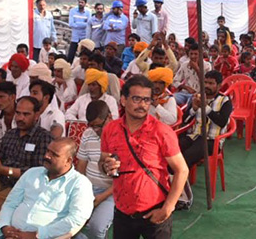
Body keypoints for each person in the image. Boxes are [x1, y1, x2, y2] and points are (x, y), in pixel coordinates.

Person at [101, 75, 189, 239]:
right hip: (122, 211)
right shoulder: (110, 130)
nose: (142, 105)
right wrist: (106, 166)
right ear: (123, 100)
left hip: (155, 211)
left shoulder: (162, 131)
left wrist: (167, 209)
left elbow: (182, 170)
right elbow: (103, 160)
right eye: (136, 99)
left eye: (146, 100)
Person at [0, 137, 93, 238]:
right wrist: (5, 226)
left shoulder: (80, 184)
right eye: (47, 151)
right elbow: (10, 203)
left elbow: (76, 219)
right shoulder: (31, 173)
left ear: (68, 161)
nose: (47, 156)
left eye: (54, 154)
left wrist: (36, 235)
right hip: (10, 234)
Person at [0, 97, 52, 220]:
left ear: (37, 115)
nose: (20, 118)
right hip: (1, 181)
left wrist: (3, 170)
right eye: (18, 113)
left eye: (26, 114)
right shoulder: (10, 135)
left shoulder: (44, 138)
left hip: (24, 189)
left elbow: (38, 174)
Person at [76, 101, 115, 239]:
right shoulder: (88, 133)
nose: (96, 130)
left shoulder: (121, 137)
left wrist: (101, 197)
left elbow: (124, 179)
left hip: (111, 192)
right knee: (68, 223)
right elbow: (81, 166)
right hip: (88, 188)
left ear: (109, 117)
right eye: (91, 125)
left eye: (98, 125)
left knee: (96, 228)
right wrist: (82, 191)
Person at [179, 70, 233, 167]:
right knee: (173, 151)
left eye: (211, 83)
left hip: (212, 141)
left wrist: (205, 108)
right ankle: (170, 177)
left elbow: (222, 122)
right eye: (206, 82)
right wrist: (194, 109)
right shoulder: (197, 97)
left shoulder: (225, 101)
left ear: (219, 85)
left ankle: (178, 179)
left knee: (187, 156)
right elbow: (185, 120)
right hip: (194, 136)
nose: (207, 86)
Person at [172, 42, 211, 107]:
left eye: (196, 54)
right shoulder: (185, 64)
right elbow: (175, 81)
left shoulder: (207, 66)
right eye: (191, 54)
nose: (193, 56)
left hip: (199, 94)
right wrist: (186, 87)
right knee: (171, 99)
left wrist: (197, 69)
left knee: (191, 103)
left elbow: (206, 83)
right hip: (184, 93)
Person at [68, 0, 92, 64]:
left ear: (85, 4)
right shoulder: (72, 11)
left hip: (84, 37)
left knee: (84, 55)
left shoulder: (88, 12)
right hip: (75, 37)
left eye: (82, 2)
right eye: (79, 2)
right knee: (71, 55)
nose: (80, 4)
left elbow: (88, 24)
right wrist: (83, 24)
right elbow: (71, 24)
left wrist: (77, 24)